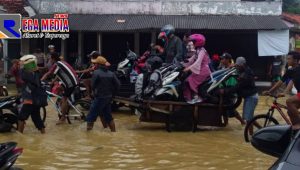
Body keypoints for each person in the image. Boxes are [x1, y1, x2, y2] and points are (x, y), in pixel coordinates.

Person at [264, 51, 300, 130]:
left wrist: (270, 91)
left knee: (289, 101)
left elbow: (280, 82)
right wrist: (284, 92)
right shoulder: (291, 70)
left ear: (295, 60)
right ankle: (296, 130)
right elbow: (290, 82)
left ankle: (298, 124)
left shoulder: (296, 69)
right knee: (290, 111)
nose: (287, 60)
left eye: (289, 59)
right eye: (287, 59)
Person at [41, 52, 79, 124]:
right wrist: (52, 82)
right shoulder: (62, 62)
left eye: (50, 59)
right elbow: (58, 75)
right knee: (60, 92)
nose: (50, 60)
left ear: (53, 58)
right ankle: (65, 108)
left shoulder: (56, 64)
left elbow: (48, 73)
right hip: (74, 81)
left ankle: (63, 117)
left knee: (64, 98)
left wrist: (40, 81)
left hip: (70, 83)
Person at [219, 57, 258, 126]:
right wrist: (232, 67)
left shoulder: (245, 75)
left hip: (251, 97)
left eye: (238, 66)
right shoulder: (244, 70)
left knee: (248, 119)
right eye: (236, 65)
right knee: (249, 118)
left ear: (242, 65)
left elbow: (237, 87)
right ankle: (260, 130)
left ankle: (252, 135)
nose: (237, 67)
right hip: (248, 96)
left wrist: (225, 91)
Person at [86, 56, 120, 132]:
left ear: (98, 64)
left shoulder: (96, 72)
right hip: (108, 98)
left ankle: (88, 136)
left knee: (91, 117)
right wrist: (112, 95)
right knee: (108, 117)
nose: (94, 65)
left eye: (95, 63)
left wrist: (93, 93)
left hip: (99, 98)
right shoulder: (111, 74)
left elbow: (93, 85)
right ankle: (114, 132)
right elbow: (118, 85)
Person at [18, 55, 45, 134]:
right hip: (37, 99)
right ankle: (43, 133)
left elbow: (22, 73)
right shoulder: (36, 72)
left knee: (21, 118)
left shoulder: (25, 73)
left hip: (29, 99)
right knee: (36, 117)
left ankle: (20, 136)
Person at [182, 34, 211, 104]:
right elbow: (191, 60)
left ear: (197, 42)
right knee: (186, 81)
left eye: (193, 41)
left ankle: (197, 97)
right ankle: (188, 98)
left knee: (189, 81)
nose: (192, 43)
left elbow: (198, 62)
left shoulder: (202, 51)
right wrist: (180, 64)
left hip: (203, 71)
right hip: (200, 70)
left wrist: (188, 68)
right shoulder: (198, 50)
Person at [218, 53, 245, 125]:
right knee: (224, 106)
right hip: (224, 89)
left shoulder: (234, 68)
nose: (221, 60)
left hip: (231, 90)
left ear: (227, 60)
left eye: (223, 59)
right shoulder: (222, 68)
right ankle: (225, 123)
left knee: (230, 107)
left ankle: (242, 122)